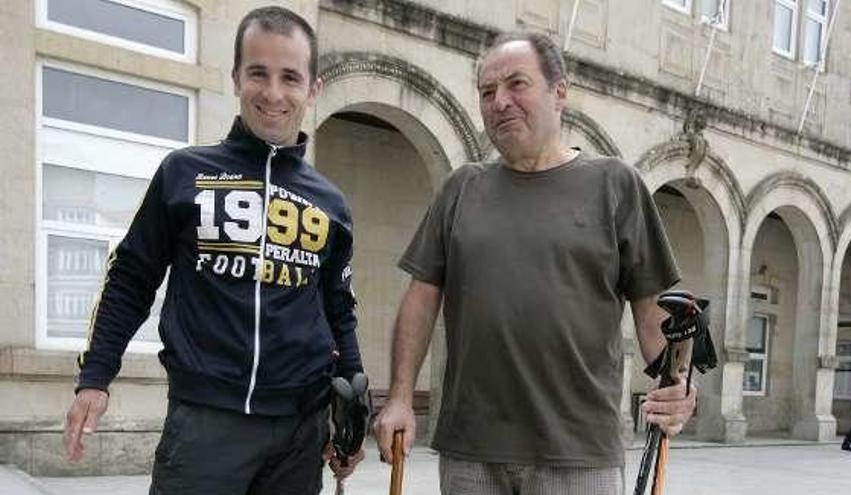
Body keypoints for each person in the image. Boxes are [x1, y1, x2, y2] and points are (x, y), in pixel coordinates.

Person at [373, 32, 697, 494]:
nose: (500, 102)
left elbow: (652, 315)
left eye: (516, 84)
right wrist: (400, 396)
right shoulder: (461, 188)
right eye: (487, 92)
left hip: (579, 453)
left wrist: (678, 386)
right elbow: (421, 301)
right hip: (472, 450)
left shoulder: (615, 185)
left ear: (559, 92)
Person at [62, 6, 364, 494]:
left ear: (313, 89)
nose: (272, 92)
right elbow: (131, 278)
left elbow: (338, 310)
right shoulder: (184, 174)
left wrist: (352, 409)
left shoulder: (330, 203)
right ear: (236, 78)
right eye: (258, 73)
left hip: (299, 430)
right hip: (205, 425)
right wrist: (96, 376)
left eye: (290, 77)